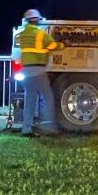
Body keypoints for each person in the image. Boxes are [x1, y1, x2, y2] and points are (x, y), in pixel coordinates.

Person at [13, 8, 62, 136]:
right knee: (48, 98)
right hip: (38, 70)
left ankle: (26, 129)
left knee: (30, 100)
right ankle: (51, 128)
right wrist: (63, 45)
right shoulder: (40, 34)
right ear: (37, 21)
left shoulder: (22, 35)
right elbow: (53, 46)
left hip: (26, 70)